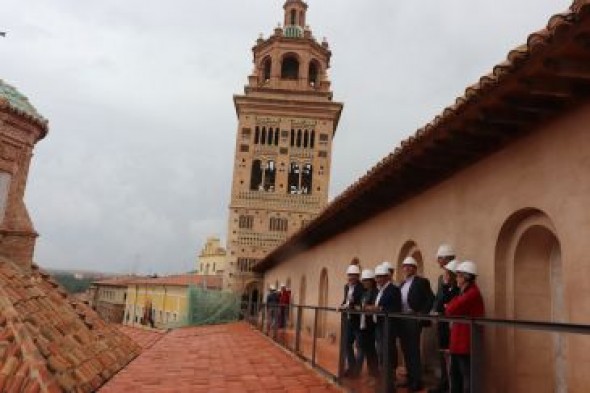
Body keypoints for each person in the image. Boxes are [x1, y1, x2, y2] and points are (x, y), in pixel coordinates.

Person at [445, 261, 484, 393]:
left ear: (466, 277)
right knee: (456, 377)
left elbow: (450, 309)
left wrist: (452, 303)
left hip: (465, 343)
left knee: (466, 378)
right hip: (459, 342)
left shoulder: (472, 293)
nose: (456, 278)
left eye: (459, 276)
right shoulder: (465, 292)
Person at [398, 256, 434, 392]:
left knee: (413, 350)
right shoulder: (401, 284)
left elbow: (431, 298)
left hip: (413, 320)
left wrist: (421, 313)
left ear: (414, 268)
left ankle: (417, 381)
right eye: (405, 266)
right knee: (406, 350)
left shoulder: (422, 282)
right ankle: (409, 378)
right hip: (402, 320)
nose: (406, 268)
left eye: (409, 266)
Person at [430, 244, 458, 393]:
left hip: (452, 322)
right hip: (441, 321)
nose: (438, 261)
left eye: (440, 258)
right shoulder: (441, 277)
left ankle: (451, 386)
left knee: (451, 356)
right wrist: (434, 310)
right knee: (442, 354)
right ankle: (444, 383)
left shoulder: (455, 276)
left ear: (447, 258)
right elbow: (438, 298)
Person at [371, 263, 402, 390]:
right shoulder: (381, 291)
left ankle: (389, 385)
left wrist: (378, 308)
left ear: (387, 277)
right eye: (377, 277)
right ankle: (384, 382)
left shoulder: (393, 290)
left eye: (380, 277)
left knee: (386, 355)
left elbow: (395, 308)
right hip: (379, 326)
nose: (378, 279)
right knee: (381, 355)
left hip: (388, 327)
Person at [340, 264, 364, 377]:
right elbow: (345, 301)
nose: (351, 277)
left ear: (358, 276)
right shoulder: (346, 287)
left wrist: (352, 305)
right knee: (346, 344)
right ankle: (351, 367)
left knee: (359, 346)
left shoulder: (361, 288)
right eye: (350, 275)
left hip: (359, 321)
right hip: (349, 320)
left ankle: (356, 372)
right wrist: (341, 306)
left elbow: (360, 303)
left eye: (354, 275)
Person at [358, 269, 380, 379]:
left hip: (372, 325)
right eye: (364, 280)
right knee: (367, 350)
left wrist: (365, 308)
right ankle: (372, 373)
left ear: (372, 281)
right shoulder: (364, 293)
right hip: (364, 325)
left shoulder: (376, 292)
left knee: (372, 351)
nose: (365, 282)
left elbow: (374, 307)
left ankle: (375, 374)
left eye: (367, 280)